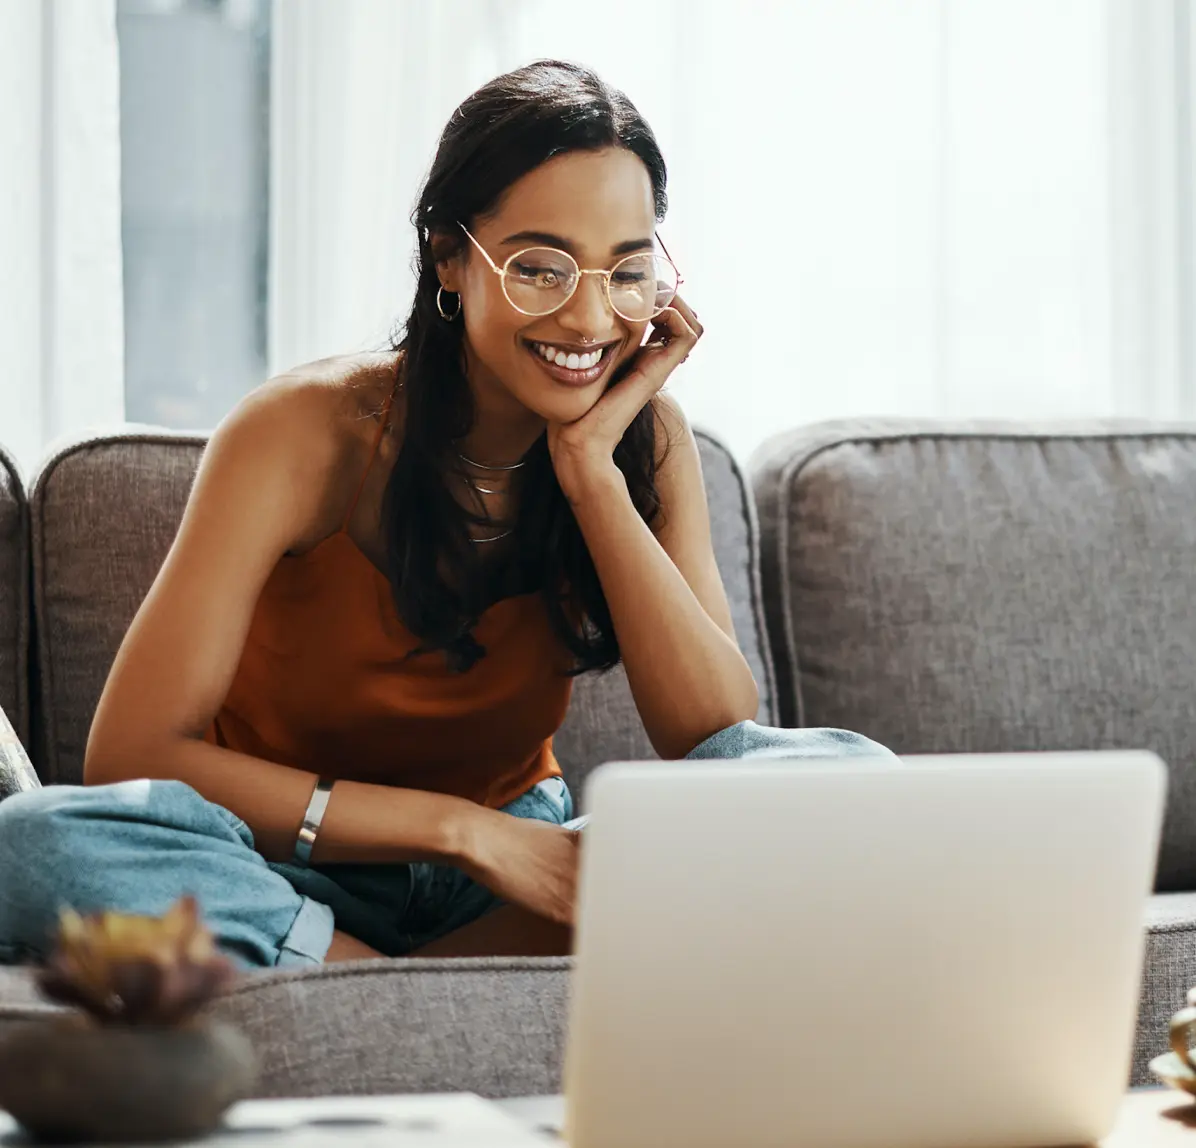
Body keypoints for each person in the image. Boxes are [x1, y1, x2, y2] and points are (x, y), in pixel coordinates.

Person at [0, 61, 893, 970]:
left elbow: (715, 732)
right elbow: (132, 753)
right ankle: (386, 976)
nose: (589, 318)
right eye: (540, 267)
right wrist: (462, 832)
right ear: (449, 255)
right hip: (285, 865)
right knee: (29, 841)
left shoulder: (640, 440)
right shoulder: (302, 434)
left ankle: (371, 978)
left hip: (518, 879)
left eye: (626, 272)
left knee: (848, 780)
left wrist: (589, 473)